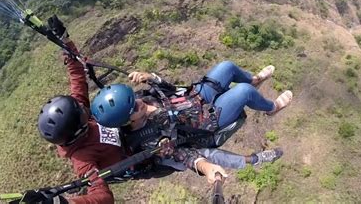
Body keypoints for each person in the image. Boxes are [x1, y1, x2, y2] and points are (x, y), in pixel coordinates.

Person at [36, 16, 291, 203]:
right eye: (135, 107)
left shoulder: (104, 112)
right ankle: (270, 108)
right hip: (201, 122)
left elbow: (77, 78)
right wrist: (64, 202)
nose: (86, 111)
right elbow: (102, 196)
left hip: (190, 99)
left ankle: (253, 79)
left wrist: (65, 42)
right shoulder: (145, 140)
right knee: (243, 94)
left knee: (226, 67)